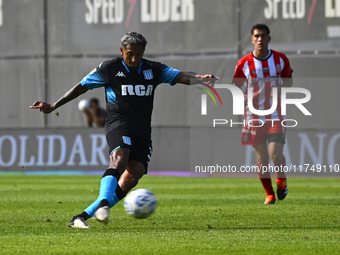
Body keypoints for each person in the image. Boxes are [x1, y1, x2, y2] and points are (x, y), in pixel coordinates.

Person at [30, 32, 219, 228]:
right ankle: (104, 204)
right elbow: (82, 87)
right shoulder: (109, 69)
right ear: (122, 51)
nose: (135, 59)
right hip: (119, 123)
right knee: (120, 158)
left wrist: (199, 78)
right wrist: (54, 105)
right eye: (130, 54)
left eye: (139, 54)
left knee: (133, 176)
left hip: (143, 129)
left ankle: (81, 217)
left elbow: (180, 75)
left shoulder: (153, 69)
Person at [232, 24, 292, 204]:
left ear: (269, 39)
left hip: (275, 114)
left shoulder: (280, 60)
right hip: (253, 116)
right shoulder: (243, 63)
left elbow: (289, 83)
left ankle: (281, 180)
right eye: (256, 36)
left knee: (275, 154)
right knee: (262, 158)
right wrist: (243, 96)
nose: (260, 39)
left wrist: (278, 87)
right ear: (252, 39)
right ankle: (269, 194)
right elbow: (236, 85)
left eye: (263, 36)